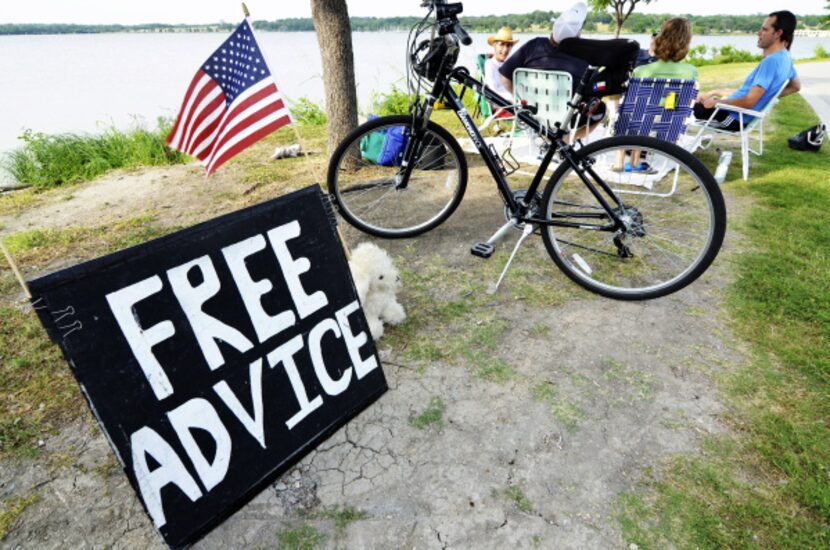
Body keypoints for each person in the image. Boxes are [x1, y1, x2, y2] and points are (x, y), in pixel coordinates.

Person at [498, 2, 606, 131]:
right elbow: (594, 96)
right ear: (577, 35)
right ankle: (567, 140)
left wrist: (521, 98)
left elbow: (504, 77)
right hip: (565, 122)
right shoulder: (583, 59)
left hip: (532, 116)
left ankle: (550, 137)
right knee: (601, 109)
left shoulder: (534, 45)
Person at [694, 10, 801, 131]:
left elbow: (749, 101)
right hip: (734, 113)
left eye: (765, 30)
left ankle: (671, 147)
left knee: (683, 106)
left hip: (732, 118)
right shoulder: (785, 57)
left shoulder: (770, 62)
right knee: (693, 100)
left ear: (778, 33)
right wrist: (715, 92)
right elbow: (796, 86)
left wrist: (716, 103)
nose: (759, 33)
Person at [617, 17, 698, 172]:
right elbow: (683, 105)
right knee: (667, 104)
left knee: (638, 110)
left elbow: (630, 103)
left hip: (636, 126)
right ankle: (637, 163)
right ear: (685, 44)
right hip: (667, 129)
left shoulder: (641, 71)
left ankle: (622, 162)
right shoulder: (691, 72)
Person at [484, 26, 519, 101]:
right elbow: (493, 91)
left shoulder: (510, 63)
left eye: (508, 45)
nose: (505, 49)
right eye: (502, 44)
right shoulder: (489, 64)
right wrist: (513, 98)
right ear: (494, 45)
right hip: (500, 103)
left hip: (514, 100)